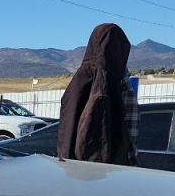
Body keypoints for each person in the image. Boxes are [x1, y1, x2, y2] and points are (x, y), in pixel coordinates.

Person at [56, 23, 138, 166]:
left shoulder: (78, 81)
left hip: (73, 167)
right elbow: (131, 136)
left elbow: (65, 128)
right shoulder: (121, 85)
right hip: (112, 172)